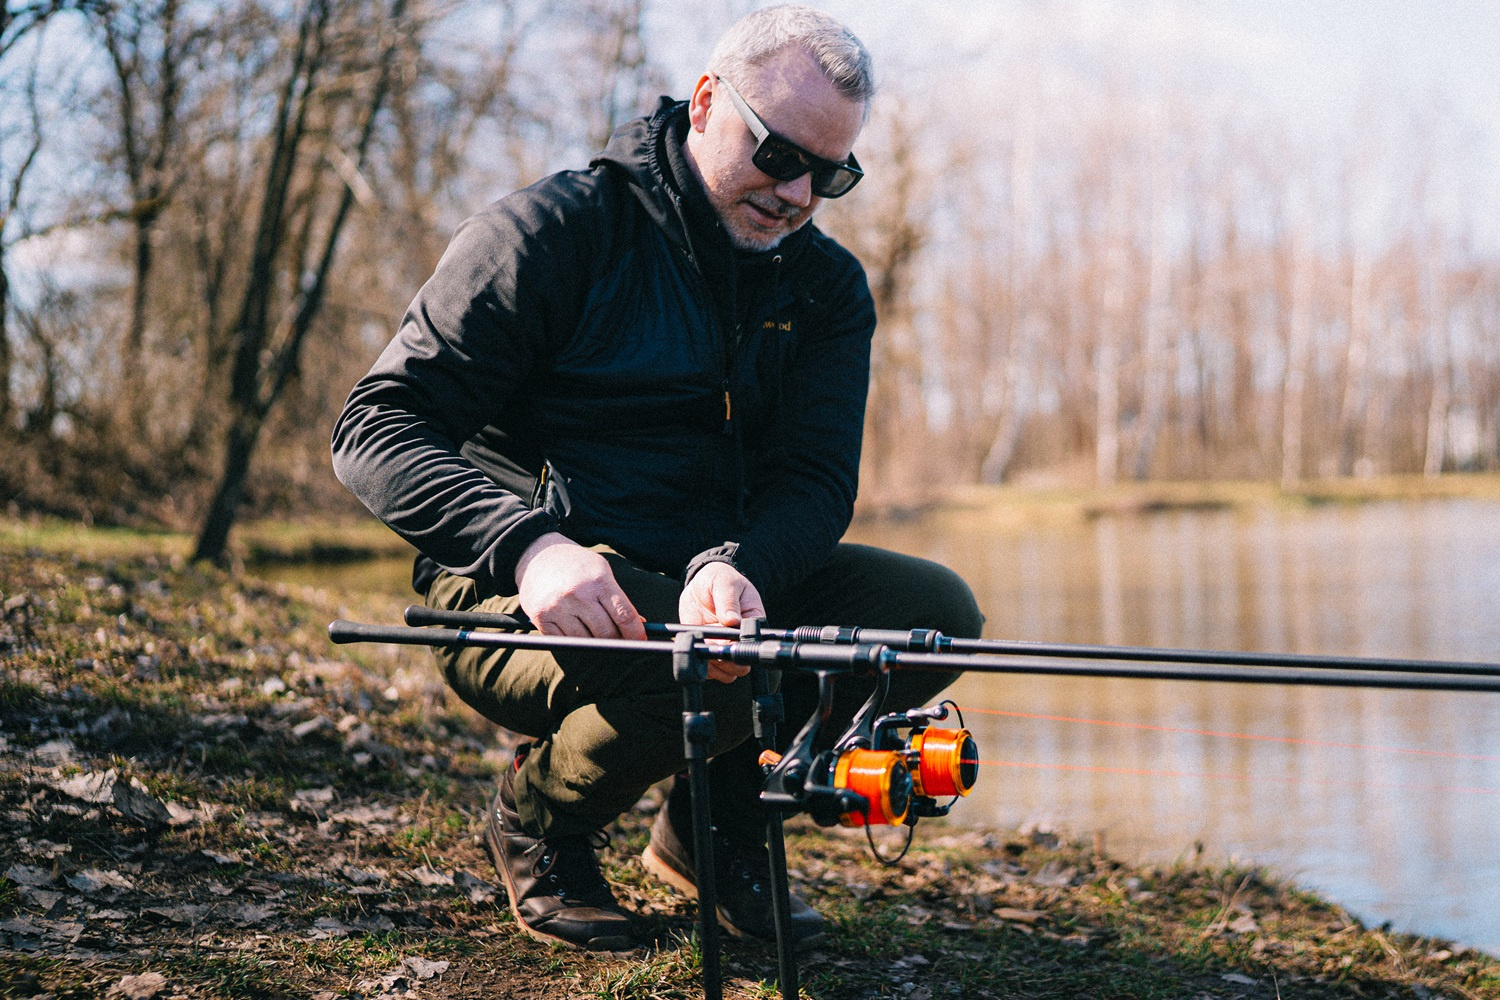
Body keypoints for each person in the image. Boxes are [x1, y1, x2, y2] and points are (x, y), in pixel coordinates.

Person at [331, 4, 982, 953]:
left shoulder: (828, 288)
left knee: (929, 613)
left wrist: (739, 566)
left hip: (708, 585)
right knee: (707, 674)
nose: (798, 193)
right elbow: (375, 426)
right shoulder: (551, 234)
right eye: (777, 155)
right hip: (513, 588)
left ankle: (713, 830)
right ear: (707, 102)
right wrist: (529, 547)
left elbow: (815, 484)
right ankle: (538, 821)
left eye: (829, 173)